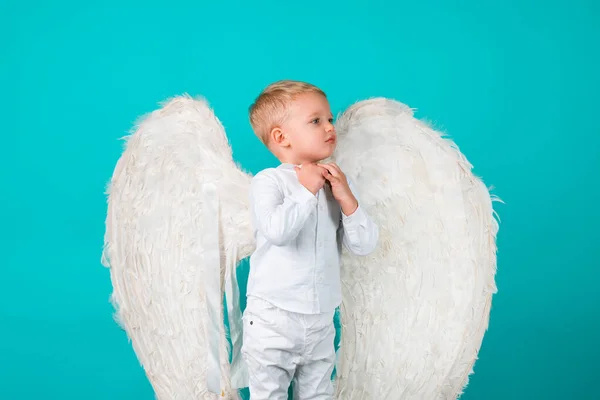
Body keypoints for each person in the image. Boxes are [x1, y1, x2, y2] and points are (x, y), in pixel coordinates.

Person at [242, 80, 379, 399]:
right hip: (273, 317)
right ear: (281, 137)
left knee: (319, 393)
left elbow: (364, 245)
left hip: (320, 317)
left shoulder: (338, 181)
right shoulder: (269, 182)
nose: (330, 126)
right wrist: (305, 190)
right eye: (316, 121)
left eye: (330, 119)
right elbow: (277, 231)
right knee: (268, 393)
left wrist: (347, 199)